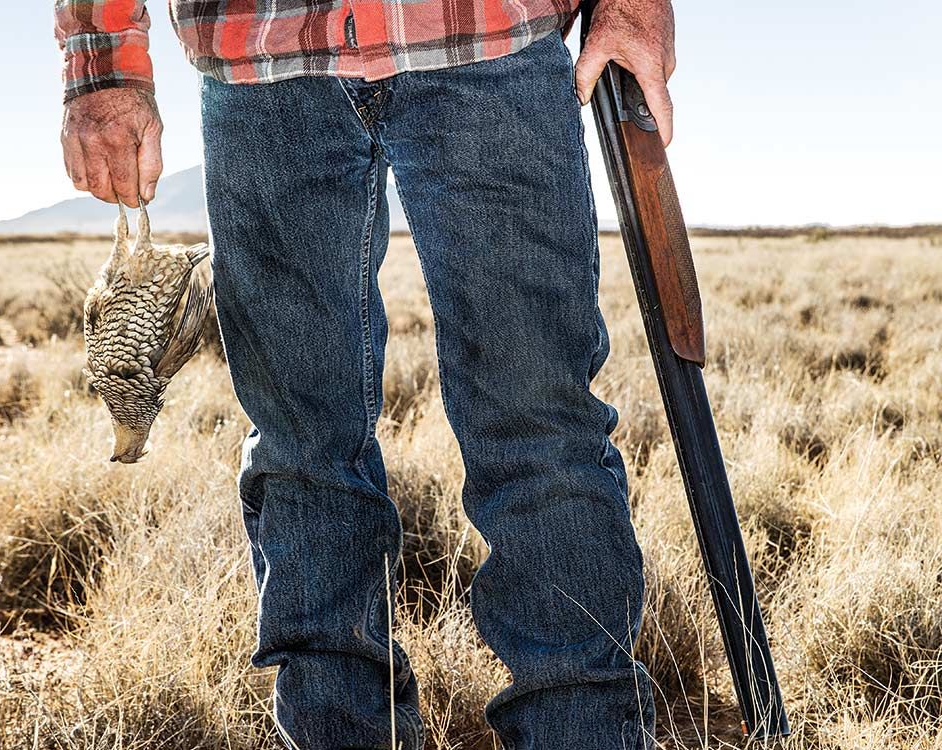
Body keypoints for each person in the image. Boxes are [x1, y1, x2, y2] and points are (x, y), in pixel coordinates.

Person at [55, 0, 676, 747]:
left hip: (492, 39)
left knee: (541, 428)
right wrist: (102, 66)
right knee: (303, 449)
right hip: (262, 60)